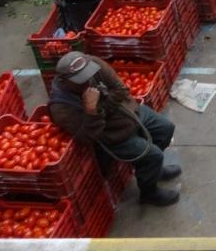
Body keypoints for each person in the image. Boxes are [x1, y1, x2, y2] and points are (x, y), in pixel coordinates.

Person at [48, 52, 180, 207]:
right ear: (64, 81)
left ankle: (152, 171)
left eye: (87, 74)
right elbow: (88, 136)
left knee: (165, 129)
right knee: (153, 155)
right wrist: (91, 110)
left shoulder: (94, 64)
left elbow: (121, 90)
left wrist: (100, 109)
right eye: (80, 79)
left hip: (130, 111)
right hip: (112, 134)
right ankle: (149, 193)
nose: (88, 79)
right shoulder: (60, 107)